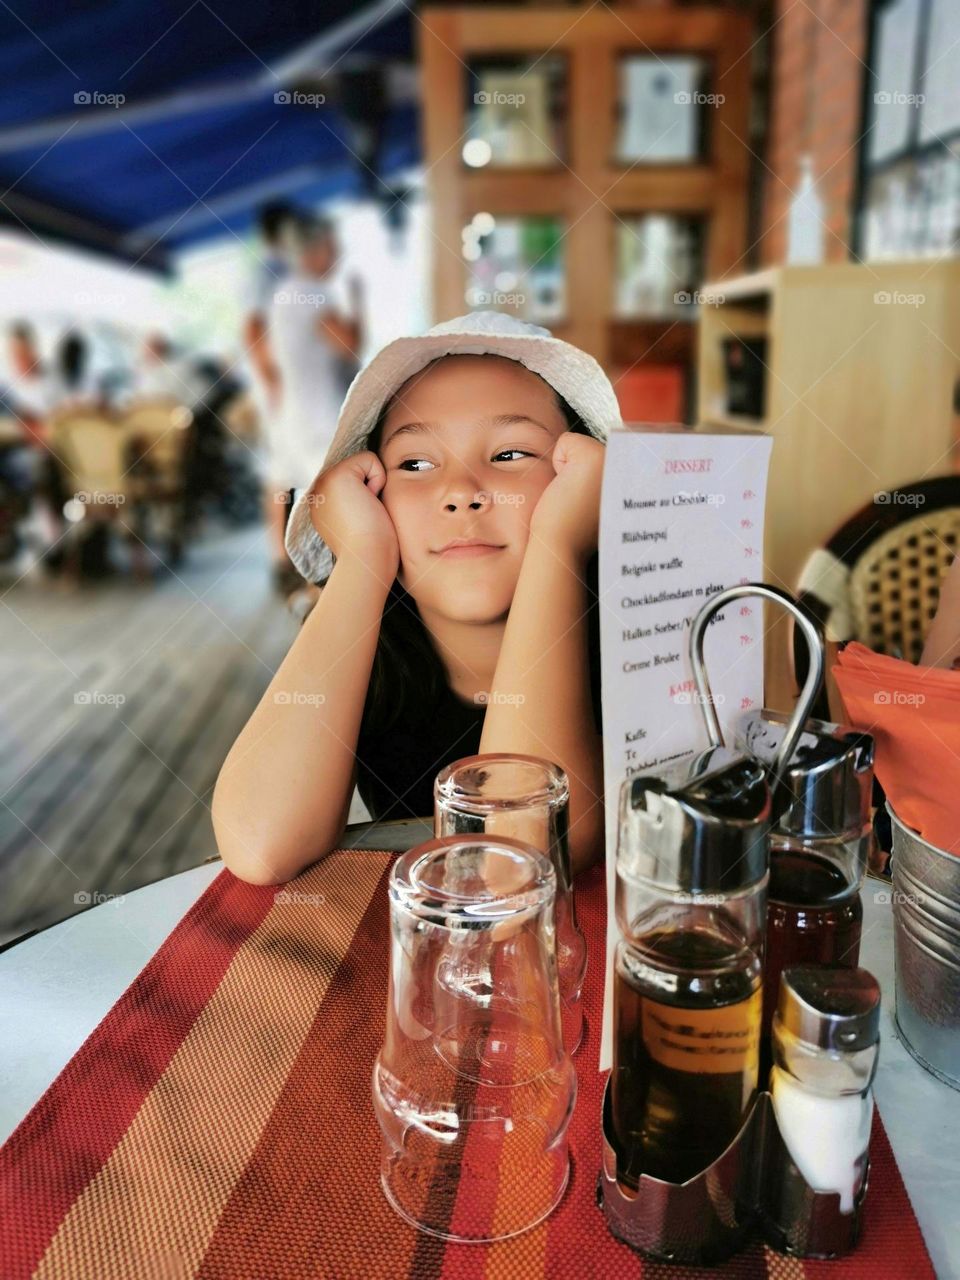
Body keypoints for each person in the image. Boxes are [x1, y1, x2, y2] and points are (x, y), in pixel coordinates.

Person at [212, 310, 617, 887]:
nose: (459, 492)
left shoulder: (640, 643)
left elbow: (518, 866)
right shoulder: (365, 645)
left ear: (583, 485)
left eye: (509, 455)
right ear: (373, 498)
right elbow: (260, 848)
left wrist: (559, 544)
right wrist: (362, 558)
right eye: (415, 464)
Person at [264, 212, 362, 593]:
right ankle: (327, 581)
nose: (336, 255)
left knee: (287, 486)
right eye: (331, 247)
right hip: (318, 413)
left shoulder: (283, 294)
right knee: (325, 495)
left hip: (291, 411)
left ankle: (289, 570)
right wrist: (357, 303)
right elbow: (347, 345)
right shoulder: (313, 293)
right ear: (315, 249)